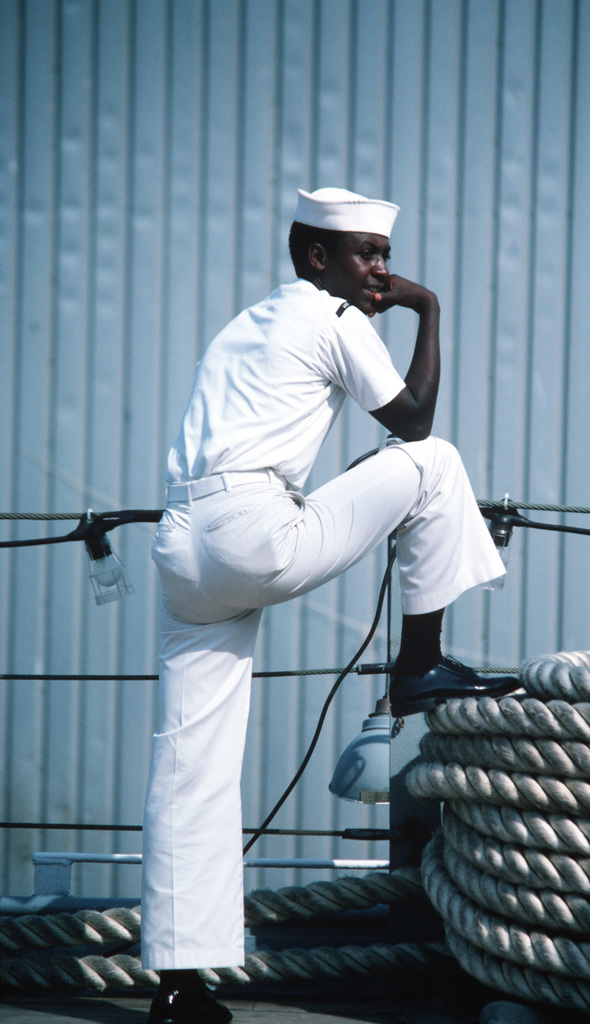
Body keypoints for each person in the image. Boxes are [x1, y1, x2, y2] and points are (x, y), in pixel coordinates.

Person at [140, 187, 518, 1022]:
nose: (380, 269)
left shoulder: (244, 323)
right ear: (317, 259)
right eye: (366, 256)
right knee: (435, 464)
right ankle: (418, 668)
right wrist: (427, 307)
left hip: (184, 540)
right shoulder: (330, 315)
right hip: (254, 532)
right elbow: (412, 421)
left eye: (384, 256)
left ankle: (177, 983)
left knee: (187, 762)